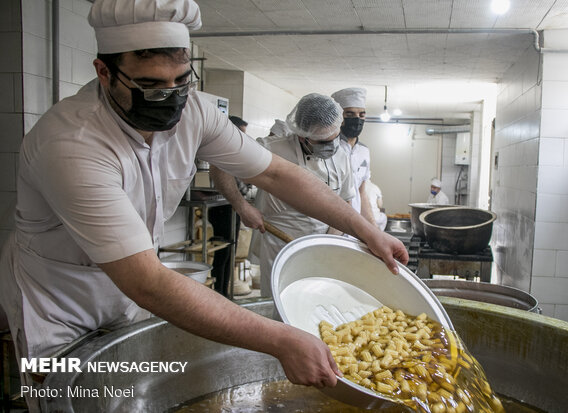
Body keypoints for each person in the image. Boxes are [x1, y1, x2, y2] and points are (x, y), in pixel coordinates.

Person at [0, 1, 408, 410]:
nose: (170, 99)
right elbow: (148, 282)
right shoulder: (72, 145)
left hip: (130, 293)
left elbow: (275, 175)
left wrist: (366, 230)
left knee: (129, 397)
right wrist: (280, 339)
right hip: (60, 303)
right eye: (151, 86)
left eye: (181, 82)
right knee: (68, 401)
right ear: (104, 73)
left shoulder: (194, 110)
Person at [253, 93, 356, 297]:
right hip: (279, 245)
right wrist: (240, 205)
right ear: (302, 135)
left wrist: (327, 242)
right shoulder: (271, 150)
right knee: (277, 302)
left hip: (321, 247)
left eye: (334, 138)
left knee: (314, 302)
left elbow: (345, 201)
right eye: (322, 142)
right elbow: (221, 166)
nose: (331, 147)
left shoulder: (342, 157)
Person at [331, 87, 375, 227]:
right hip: (329, 223)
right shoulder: (327, 148)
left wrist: (373, 227)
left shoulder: (364, 151)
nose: (357, 119)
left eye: (361, 115)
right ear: (339, 116)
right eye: (350, 114)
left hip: (354, 226)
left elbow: (361, 192)